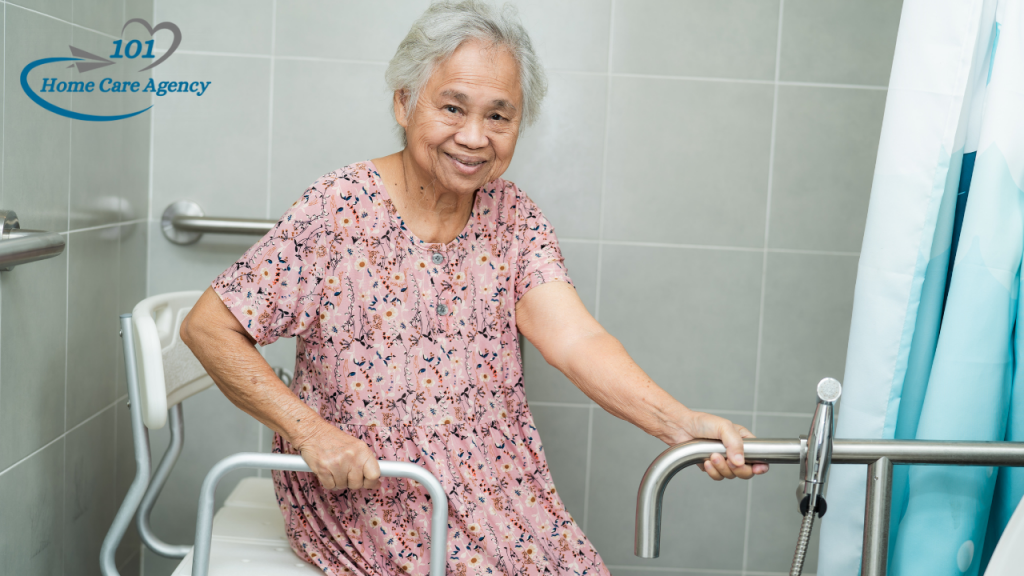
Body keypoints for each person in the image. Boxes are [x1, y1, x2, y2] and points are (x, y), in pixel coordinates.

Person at [181, 1, 768, 574]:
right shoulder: (338, 209)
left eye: (498, 115)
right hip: (372, 487)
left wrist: (678, 423)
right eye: (453, 107)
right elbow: (209, 326)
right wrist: (310, 433)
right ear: (404, 103)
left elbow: (576, 340)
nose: (474, 136)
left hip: (497, 481)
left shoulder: (514, 217)